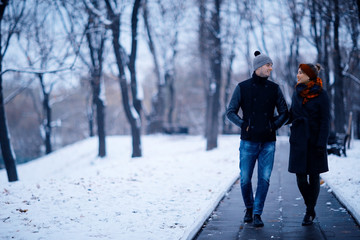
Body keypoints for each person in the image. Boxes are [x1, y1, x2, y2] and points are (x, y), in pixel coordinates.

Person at [226, 51, 288, 227]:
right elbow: (230, 112)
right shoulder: (242, 87)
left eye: (271, 65)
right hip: (248, 141)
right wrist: (243, 124)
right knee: (245, 178)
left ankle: (257, 213)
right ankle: (249, 208)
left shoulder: (274, 88)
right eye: (268, 65)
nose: (271, 68)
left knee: (265, 179)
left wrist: (273, 126)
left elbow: (284, 112)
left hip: (268, 141)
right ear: (259, 67)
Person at [288, 63, 330, 226]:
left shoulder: (322, 94)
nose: (297, 75)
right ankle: (311, 208)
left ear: (309, 75)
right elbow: (292, 114)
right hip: (298, 139)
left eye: (300, 73)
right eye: (297, 72)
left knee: (314, 176)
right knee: (300, 178)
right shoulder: (296, 93)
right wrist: (276, 121)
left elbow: (325, 121)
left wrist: (321, 143)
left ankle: (308, 212)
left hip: (315, 141)